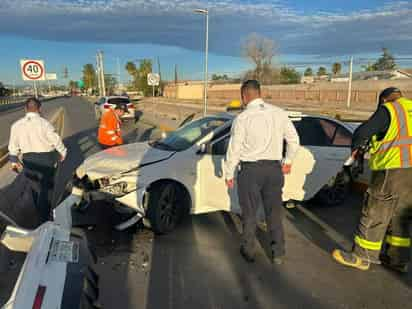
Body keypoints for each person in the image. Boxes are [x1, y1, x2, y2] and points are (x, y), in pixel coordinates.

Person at [333, 87, 412, 272]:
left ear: (383, 100)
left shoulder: (389, 109)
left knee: (375, 211)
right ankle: (398, 261)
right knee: (401, 216)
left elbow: (362, 132)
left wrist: (356, 148)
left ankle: (362, 256)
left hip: (392, 170)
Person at [224, 80, 300, 264]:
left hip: (251, 171)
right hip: (274, 170)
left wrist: (229, 174)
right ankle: (278, 253)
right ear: (259, 93)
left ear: (244, 96)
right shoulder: (279, 114)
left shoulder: (242, 118)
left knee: (249, 213)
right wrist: (288, 161)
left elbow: (234, 149)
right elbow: (294, 140)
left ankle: (249, 250)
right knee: (274, 212)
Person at [8, 97, 67, 223]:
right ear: (39, 109)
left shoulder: (16, 125)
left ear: (25, 109)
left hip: (28, 160)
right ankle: (45, 217)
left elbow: (13, 146)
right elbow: (56, 141)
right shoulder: (45, 124)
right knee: (47, 188)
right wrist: (63, 152)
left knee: (32, 186)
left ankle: (32, 213)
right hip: (46, 160)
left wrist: (14, 161)